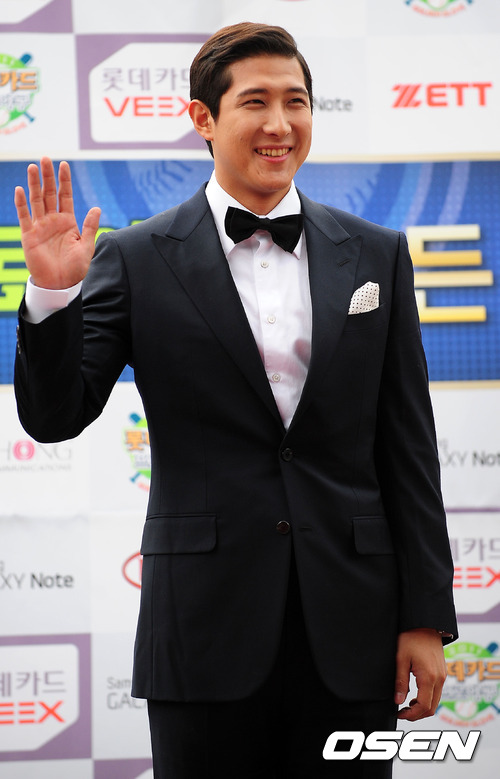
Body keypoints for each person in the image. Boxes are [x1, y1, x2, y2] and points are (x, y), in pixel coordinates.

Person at [14, 22, 457, 779]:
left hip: (352, 627)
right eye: (255, 102)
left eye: (296, 101)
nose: (280, 123)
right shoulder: (137, 256)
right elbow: (55, 416)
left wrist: (425, 617)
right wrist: (55, 297)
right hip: (202, 629)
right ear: (204, 118)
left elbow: (408, 447)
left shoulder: (376, 253)